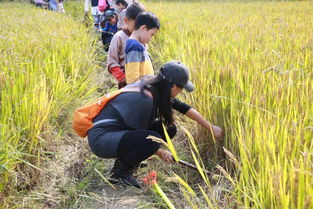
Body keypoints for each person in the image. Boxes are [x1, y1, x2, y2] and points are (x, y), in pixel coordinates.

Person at [87, 61, 225, 188]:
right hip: (102, 139)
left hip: (117, 132)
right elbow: (144, 137)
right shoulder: (144, 99)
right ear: (173, 86)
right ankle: (119, 174)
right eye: (181, 88)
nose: (180, 92)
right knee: (152, 140)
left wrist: (210, 127)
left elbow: (185, 108)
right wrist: (160, 152)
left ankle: (129, 162)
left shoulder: (156, 87)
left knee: (169, 129)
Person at [107, 2, 145, 89]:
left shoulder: (143, 36)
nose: (138, 27)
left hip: (143, 80)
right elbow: (112, 62)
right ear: (126, 21)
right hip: (125, 82)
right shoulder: (118, 37)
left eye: (141, 24)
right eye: (136, 24)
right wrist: (123, 79)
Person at [124, 12, 160, 84]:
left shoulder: (138, 45)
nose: (151, 39)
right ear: (143, 28)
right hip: (139, 91)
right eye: (151, 35)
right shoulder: (134, 47)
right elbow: (132, 79)